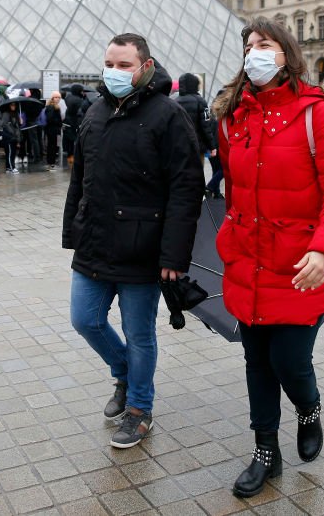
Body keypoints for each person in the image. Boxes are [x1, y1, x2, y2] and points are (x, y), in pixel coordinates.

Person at [212, 17, 324, 497]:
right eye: (248, 45)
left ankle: (309, 406)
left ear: (286, 53)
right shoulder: (234, 115)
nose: (253, 51)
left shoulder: (318, 114)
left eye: (264, 44)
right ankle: (264, 452)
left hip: (300, 265)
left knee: (290, 360)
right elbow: (234, 190)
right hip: (248, 259)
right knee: (256, 360)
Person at [63, 33, 204, 450]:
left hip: (143, 246)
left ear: (146, 66)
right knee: (84, 319)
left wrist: (174, 255)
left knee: (139, 333)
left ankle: (140, 409)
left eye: (124, 65)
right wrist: (74, 229)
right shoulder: (95, 111)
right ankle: (126, 372)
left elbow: (186, 187)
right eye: (110, 63)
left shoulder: (168, 115)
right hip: (95, 240)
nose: (114, 71)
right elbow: (79, 179)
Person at [175, 73, 216, 166]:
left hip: (179, 147)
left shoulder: (175, 101)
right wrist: (212, 146)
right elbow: (206, 126)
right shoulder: (200, 101)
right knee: (197, 174)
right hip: (197, 147)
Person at [63, 84, 86, 166]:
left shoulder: (67, 98)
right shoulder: (79, 100)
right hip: (75, 122)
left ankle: (69, 156)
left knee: (68, 140)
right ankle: (74, 156)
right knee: (75, 140)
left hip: (66, 122)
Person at [43, 91, 63, 171]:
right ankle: (51, 163)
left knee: (52, 146)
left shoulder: (53, 106)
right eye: (56, 97)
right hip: (52, 130)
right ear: (52, 98)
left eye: (59, 97)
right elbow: (49, 119)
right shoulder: (52, 107)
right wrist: (58, 122)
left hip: (52, 129)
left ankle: (51, 163)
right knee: (52, 146)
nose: (58, 99)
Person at [0, 102, 21, 173]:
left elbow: (17, 127)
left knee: (12, 152)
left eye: (14, 105)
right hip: (8, 137)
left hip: (14, 137)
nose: (13, 106)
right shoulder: (6, 114)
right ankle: (12, 167)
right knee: (10, 152)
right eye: (12, 105)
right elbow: (4, 124)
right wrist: (11, 131)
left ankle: (8, 167)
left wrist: (20, 122)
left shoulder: (16, 114)